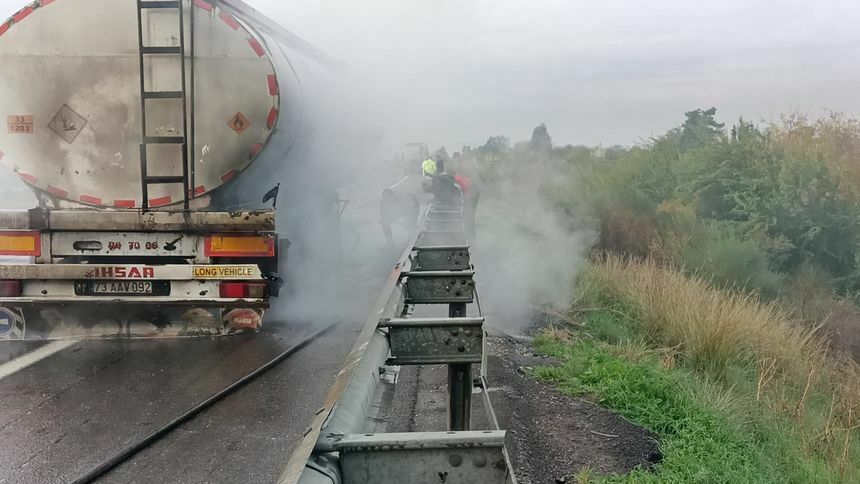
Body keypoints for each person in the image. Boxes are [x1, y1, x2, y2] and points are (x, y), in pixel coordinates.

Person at [453, 173, 480, 242]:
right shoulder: (452, 179)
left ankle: (470, 236)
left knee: (469, 214)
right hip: (473, 188)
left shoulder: (453, 182)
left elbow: (463, 194)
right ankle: (470, 235)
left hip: (473, 190)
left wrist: (463, 202)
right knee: (468, 213)